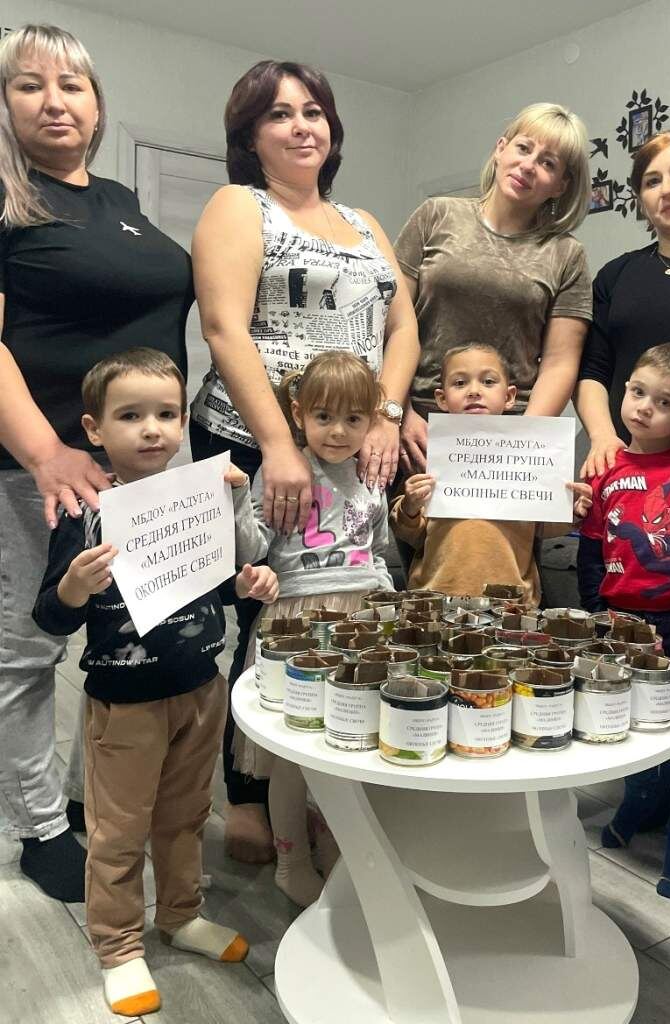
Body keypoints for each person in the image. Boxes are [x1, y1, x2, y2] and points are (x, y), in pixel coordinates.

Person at [188, 59, 419, 862]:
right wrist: (281, 444)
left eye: (313, 110)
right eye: (279, 114)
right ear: (250, 136)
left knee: (342, 605)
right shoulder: (239, 205)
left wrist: (387, 412)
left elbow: (403, 328)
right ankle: (251, 790)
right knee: (265, 609)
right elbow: (224, 328)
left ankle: (326, 779)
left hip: (351, 440)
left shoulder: (364, 221)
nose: (300, 126)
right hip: (256, 438)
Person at [0, 24, 194, 901]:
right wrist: (45, 451)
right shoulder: (8, 199)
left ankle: (88, 797)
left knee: (121, 637)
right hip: (35, 469)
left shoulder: (116, 197)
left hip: (137, 468)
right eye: (29, 85)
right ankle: (41, 827)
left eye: (72, 85)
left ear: (97, 103)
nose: (54, 102)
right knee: (28, 652)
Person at [32, 349, 279, 1017]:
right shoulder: (86, 511)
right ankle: (118, 948)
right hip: (126, 702)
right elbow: (50, 616)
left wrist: (246, 583)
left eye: (167, 414)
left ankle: (181, 914)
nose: (152, 429)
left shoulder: (198, 497)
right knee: (118, 832)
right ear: (94, 428)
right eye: (130, 415)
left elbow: (213, 584)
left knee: (186, 816)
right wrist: (75, 584)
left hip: (202, 687)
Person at [232, 350, 394, 906]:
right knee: (293, 754)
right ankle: (291, 858)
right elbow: (253, 545)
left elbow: (378, 547)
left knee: (348, 741)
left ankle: (332, 842)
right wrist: (237, 498)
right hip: (297, 621)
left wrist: (384, 599)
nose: (338, 431)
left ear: (372, 418)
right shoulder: (284, 469)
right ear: (298, 414)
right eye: (324, 416)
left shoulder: (372, 474)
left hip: (362, 621)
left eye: (353, 418)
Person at [577, 343, 670, 898]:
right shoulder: (604, 468)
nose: (644, 407)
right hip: (619, 621)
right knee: (627, 725)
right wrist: (595, 613)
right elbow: (590, 549)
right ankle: (636, 802)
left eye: (664, 402)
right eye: (636, 392)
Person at [395, 102, 593, 476]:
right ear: (501, 148)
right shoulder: (436, 215)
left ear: (561, 185)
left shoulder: (566, 254)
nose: (529, 165)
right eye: (523, 148)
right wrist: (400, 412)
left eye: (548, 163)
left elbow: (560, 362)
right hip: (418, 429)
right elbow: (391, 323)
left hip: (511, 434)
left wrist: (519, 444)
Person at [391, 342, 591, 604]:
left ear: (509, 396)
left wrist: (573, 511)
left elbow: (543, 526)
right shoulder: (430, 455)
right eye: (460, 383)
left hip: (512, 604)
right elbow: (410, 533)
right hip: (435, 599)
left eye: (488, 382)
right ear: (441, 398)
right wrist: (410, 506)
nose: (474, 391)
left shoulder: (531, 459)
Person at [575, 131, 670, 479]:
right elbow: (592, 370)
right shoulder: (616, 274)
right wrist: (602, 437)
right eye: (652, 181)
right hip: (620, 468)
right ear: (641, 199)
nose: (667, 189)